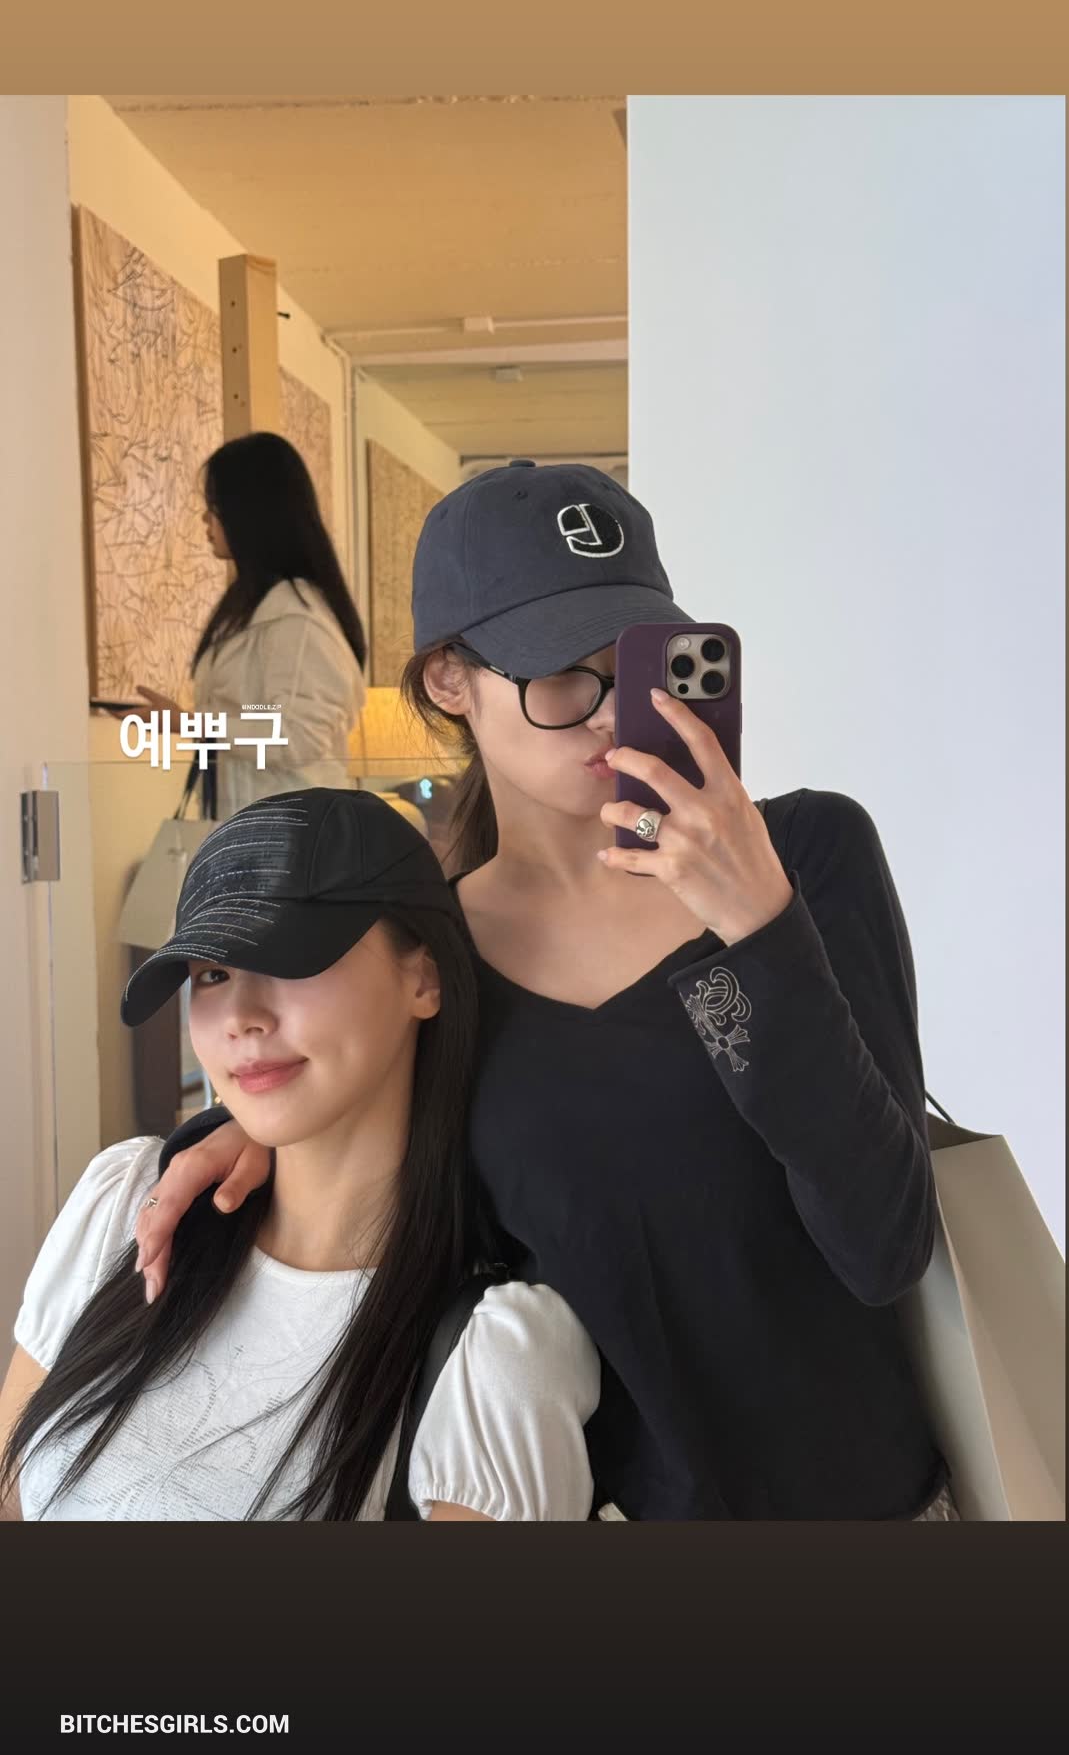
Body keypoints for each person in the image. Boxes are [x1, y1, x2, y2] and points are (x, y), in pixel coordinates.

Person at [126, 461, 958, 1521]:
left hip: (866, 1513)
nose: (614, 714)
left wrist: (759, 928)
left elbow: (883, 1245)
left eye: (638, 666)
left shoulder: (804, 854)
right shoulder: (427, 959)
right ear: (449, 681)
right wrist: (252, 1132)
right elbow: (373, 1167)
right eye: (562, 675)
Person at [0, 789, 599, 1522]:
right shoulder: (125, 1204)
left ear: (423, 978)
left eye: (293, 957)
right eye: (212, 975)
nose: (242, 1018)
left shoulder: (496, 1355)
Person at [137, 432, 367, 820]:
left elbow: (297, 736)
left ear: (248, 513)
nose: (205, 519)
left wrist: (191, 723)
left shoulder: (298, 623)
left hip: (290, 834)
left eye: (214, 507)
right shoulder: (253, 609)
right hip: (252, 826)